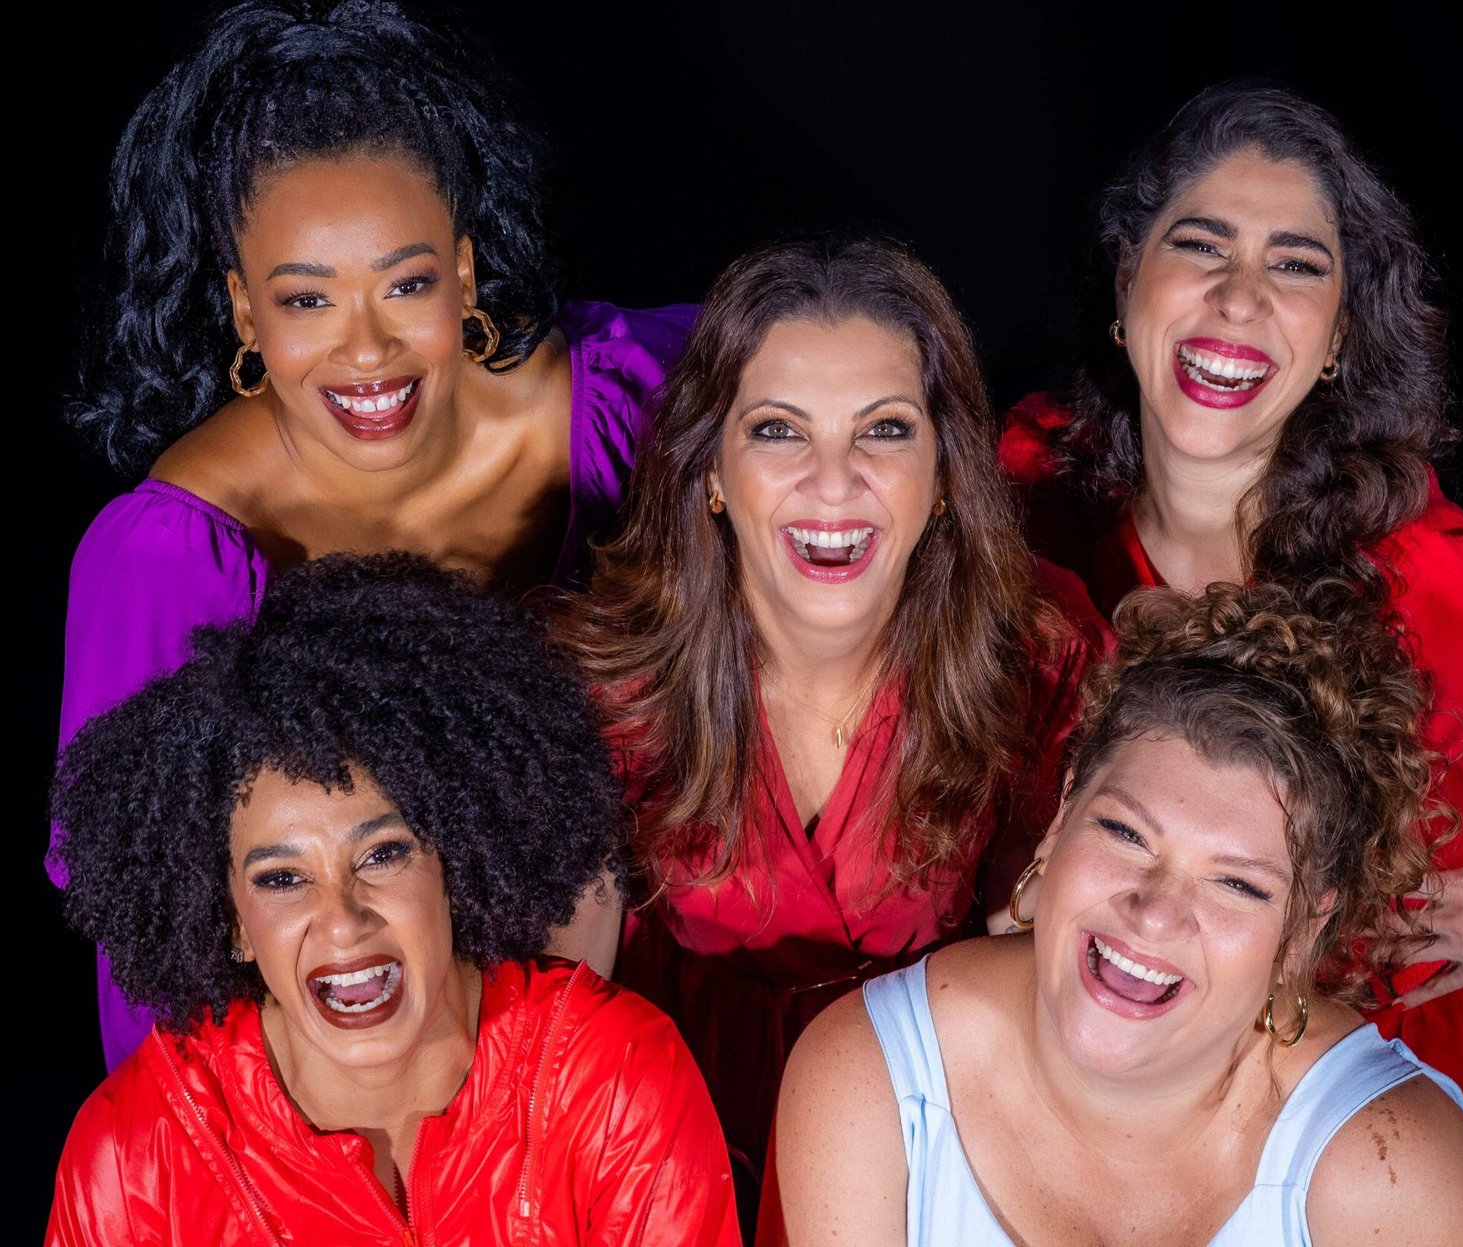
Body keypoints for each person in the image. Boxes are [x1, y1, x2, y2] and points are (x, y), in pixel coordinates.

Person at [999, 82, 1463, 1240]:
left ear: (1336, 342)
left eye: (1295, 265)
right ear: (1126, 280)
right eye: (1200, 245)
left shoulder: (1439, 605)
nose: (1238, 297)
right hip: (1223, 1148)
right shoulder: (1034, 493)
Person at [54, 0, 695, 1072]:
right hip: (358, 1060)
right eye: (306, 302)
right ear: (245, 313)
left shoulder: (627, 403)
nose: (366, 351)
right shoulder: (174, 554)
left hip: (666, 998)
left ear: (466, 272)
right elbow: (149, 948)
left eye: (406, 285)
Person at [557, 235, 1110, 1213]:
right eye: (778, 430)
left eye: (883, 430)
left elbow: (1039, 967)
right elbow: (561, 1022)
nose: (833, 479)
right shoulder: (600, 680)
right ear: (710, 470)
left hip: (941, 1131)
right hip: (668, 1149)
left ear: (945, 472)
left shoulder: (1039, 651)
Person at [770, 582, 1463, 1247]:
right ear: (1060, 816)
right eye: (1126, 833)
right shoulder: (870, 1080)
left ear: (1303, 930)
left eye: (1237, 884)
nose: (1155, 913)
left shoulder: (1390, 1167)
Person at [46, 552, 740, 1247]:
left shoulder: (612, 1080)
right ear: (234, 924)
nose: (342, 922)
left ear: (455, 859)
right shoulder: (136, 1157)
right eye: (281, 879)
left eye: (382, 854)